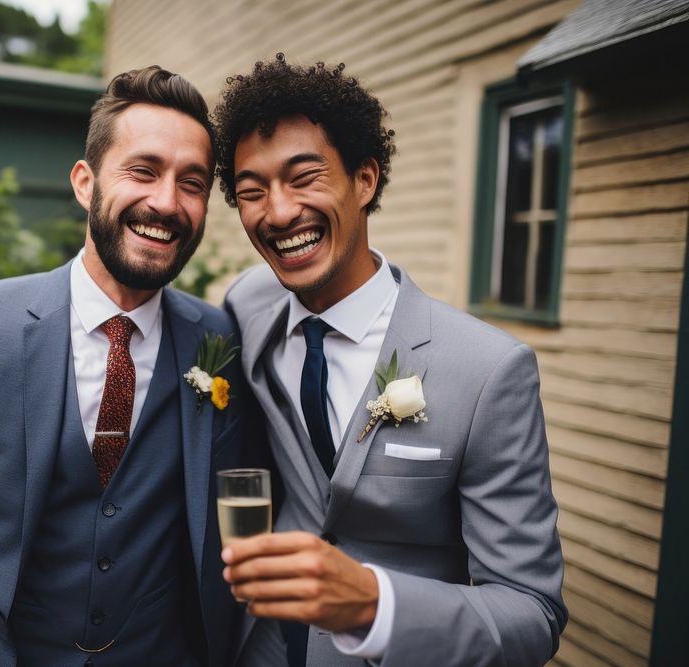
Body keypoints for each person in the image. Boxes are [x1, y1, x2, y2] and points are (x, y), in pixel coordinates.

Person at [0, 65, 252, 666]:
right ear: (85, 184)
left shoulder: (217, 339)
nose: (167, 202)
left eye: (191, 183)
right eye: (143, 170)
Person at [216, 54, 567, 666]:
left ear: (365, 180)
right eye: (252, 192)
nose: (277, 212)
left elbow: (531, 613)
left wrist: (373, 605)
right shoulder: (247, 305)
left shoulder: (488, 371)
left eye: (304, 177)